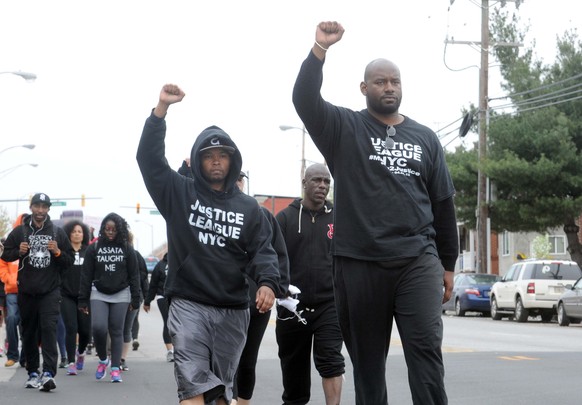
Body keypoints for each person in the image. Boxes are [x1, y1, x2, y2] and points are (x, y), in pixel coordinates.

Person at [291, 21, 459, 405]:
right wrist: (320, 48)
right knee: (367, 367)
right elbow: (303, 99)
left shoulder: (425, 139)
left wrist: (447, 264)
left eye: (395, 81)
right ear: (364, 88)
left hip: (416, 259)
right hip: (358, 263)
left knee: (426, 355)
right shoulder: (344, 128)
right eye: (380, 82)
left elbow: (443, 204)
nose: (389, 87)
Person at [136, 83, 287, 405]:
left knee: (218, 391)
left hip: (233, 309)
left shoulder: (250, 209)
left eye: (223, 156)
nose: (216, 162)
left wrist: (268, 284)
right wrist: (160, 110)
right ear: (197, 161)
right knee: (193, 385)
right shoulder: (179, 193)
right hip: (189, 303)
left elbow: (264, 250)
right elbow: (149, 160)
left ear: (233, 162)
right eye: (209, 156)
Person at [275, 163, 344, 405]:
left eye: (326, 181)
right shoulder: (284, 218)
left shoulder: (340, 216)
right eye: (316, 180)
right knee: (295, 382)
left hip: (330, 305)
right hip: (292, 306)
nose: (322, 186)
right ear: (304, 183)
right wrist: (277, 287)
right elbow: (271, 258)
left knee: (332, 362)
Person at [0, 193, 74, 392]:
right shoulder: (20, 232)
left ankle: (48, 373)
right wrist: (18, 252)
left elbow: (69, 261)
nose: (40, 210)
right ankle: (33, 372)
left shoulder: (57, 233)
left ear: (49, 209)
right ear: (31, 207)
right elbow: (5, 254)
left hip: (50, 291)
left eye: (44, 207)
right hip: (26, 291)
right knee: (30, 333)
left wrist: (58, 252)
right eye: (37, 206)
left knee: (49, 330)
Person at [232, 171, 290, 405]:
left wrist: (278, 288)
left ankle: (242, 401)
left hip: (257, 303)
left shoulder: (261, 214)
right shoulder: (214, 213)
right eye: (232, 177)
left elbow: (279, 254)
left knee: (247, 359)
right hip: (222, 300)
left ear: (243, 182)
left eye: (239, 178)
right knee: (224, 358)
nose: (236, 182)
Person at [78, 212, 140, 383]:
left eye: (113, 230)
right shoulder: (94, 248)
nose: (110, 232)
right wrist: (82, 299)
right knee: (98, 327)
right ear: (103, 229)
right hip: (98, 292)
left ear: (119, 230)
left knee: (117, 330)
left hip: (121, 293)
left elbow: (134, 275)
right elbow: (86, 275)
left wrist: (136, 298)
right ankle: (103, 359)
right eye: (107, 229)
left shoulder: (127, 248)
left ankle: (114, 369)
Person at [60, 220, 92, 375]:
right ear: (69, 234)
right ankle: (71, 362)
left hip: (84, 298)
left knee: (85, 331)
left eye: (80, 231)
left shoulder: (89, 251)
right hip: (66, 295)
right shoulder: (64, 252)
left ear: (84, 234)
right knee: (71, 328)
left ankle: (81, 353)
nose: (77, 234)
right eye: (74, 231)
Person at [143, 252, 173, 362]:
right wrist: (147, 301)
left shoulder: (181, 262)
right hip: (163, 297)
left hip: (178, 298)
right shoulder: (160, 265)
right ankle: (170, 351)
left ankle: (180, 350)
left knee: (178, 324)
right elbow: (153, 285)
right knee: (168, 322)